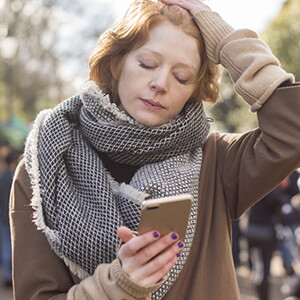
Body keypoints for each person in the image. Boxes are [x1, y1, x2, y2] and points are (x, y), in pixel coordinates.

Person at [9, 0, 300, 299]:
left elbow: (293, 130)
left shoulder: (217, 161)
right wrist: (118, 285)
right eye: (147, 64)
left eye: (181, 77)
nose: (160, 83)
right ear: (115, 63)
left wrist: (227, 41)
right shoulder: (45, 164)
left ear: (194, 90)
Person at [0, 147, 19, 287]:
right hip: (12, 217)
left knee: (6, 245)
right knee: (12, 246)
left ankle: (8, 274)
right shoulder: (15, 178)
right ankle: (12, 275)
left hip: (3, 218)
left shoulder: (2, 177)